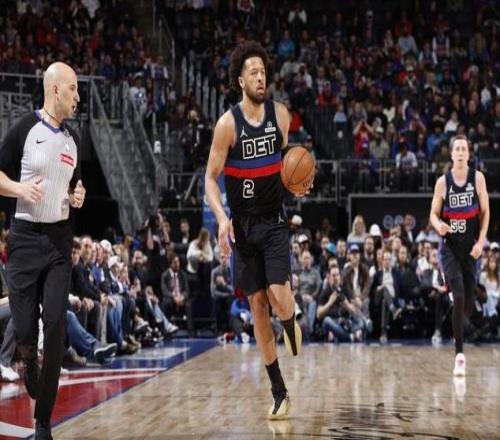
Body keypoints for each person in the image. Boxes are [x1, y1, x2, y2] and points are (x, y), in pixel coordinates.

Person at [205, 41, 306, 420]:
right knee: (258, 307)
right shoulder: (227, 125)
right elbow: (210, 179)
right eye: (253, 72)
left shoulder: (280, 115)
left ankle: (291, 320)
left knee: (279, 296)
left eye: (263, 71)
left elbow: (287, 163)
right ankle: (280, 392)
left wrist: (299, 181)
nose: (261, 77)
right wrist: (221, 218)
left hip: (274, 220)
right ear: (240, 81)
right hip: (243, 228)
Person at [0, 61, 85, 439]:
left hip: (58, 243)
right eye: (73, 88)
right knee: (23, 330)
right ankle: (26, 358)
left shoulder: (73, 140)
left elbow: (74, 186)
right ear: (55, 90)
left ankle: (43, 422)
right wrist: (19, 189)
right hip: (23, 237)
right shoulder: (24, 129)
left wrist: (77, 194)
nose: (78, 96)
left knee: (55, 325)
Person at [429, 134, 490, 376]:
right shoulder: (442, 183)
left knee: (467, 306)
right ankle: (459, 356)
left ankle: (454, 312)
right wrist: (438, 225)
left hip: (471, 249)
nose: (462, 152)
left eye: (465, 149)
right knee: (459, 294)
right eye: (458, 149)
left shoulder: (478, 179)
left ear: (469, 153)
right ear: (452, 154)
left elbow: (485, 213)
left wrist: (481, 242)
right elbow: (433, 214)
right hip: (450, 249)